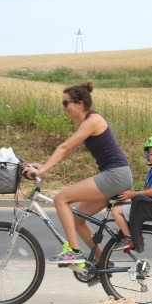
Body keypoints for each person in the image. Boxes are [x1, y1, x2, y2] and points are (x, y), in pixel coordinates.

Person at [23, 82, 133, 264]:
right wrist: (41, 165)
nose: (63, 108)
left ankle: (73, 251)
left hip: (115, 175)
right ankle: (101, 262)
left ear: (80, 103)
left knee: (61, 199)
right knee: (76, 219)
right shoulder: (88, 122)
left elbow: (65, 147)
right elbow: (65, 150)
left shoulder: (93, 121)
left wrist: (42, 170)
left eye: (66, 103)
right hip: (116, 176)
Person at [111, 135, 152, 251]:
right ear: (147, 155)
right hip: (147, 204)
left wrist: (132, 195)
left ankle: (129, 237)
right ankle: (135, 232)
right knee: (119, 204)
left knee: (115, 211)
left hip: (150, 206)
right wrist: (131, 194)